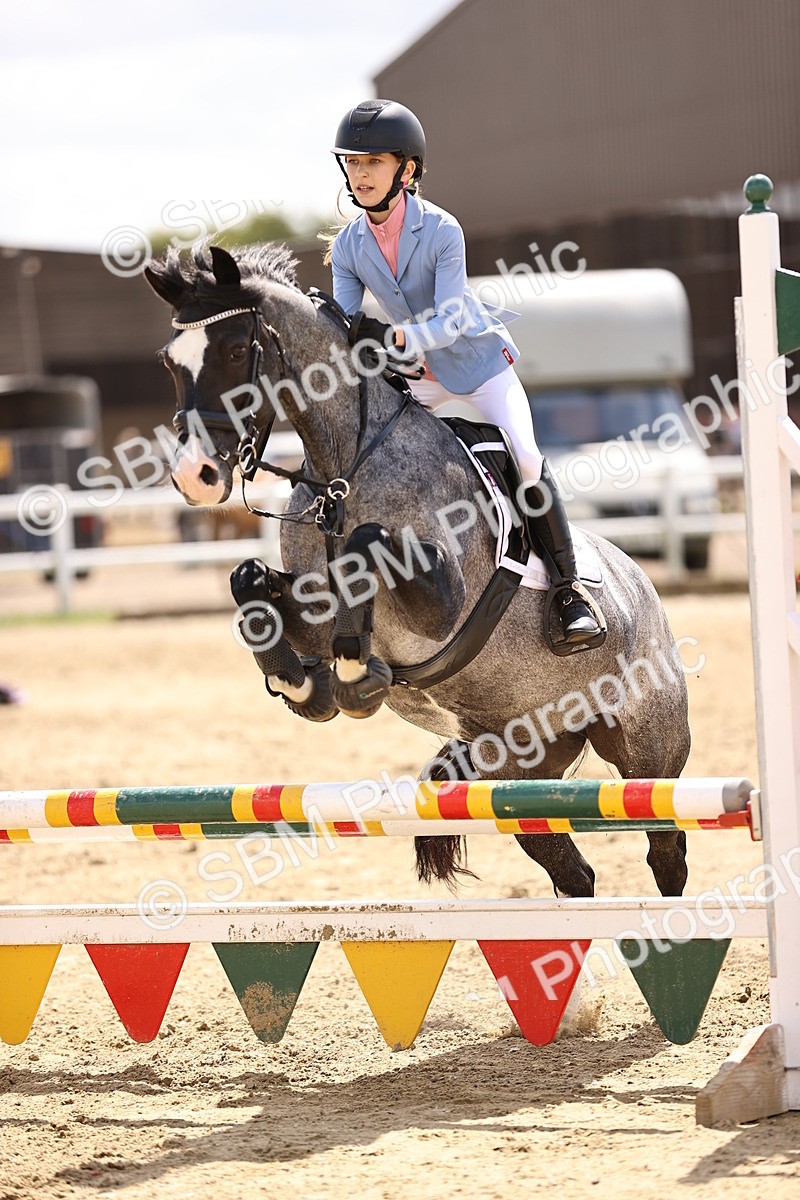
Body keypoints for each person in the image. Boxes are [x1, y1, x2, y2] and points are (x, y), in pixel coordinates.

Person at [326, 98, 603, 649]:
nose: (360, 175)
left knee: (524, 456)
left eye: (373, 163)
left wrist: (397, 337)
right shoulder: (347, 247)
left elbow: (451, 319)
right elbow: (345, 322)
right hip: (420, 376)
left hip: (477, 367)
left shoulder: (442, 230)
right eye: (353, 163)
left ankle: (570, 591)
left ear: (406, 170)